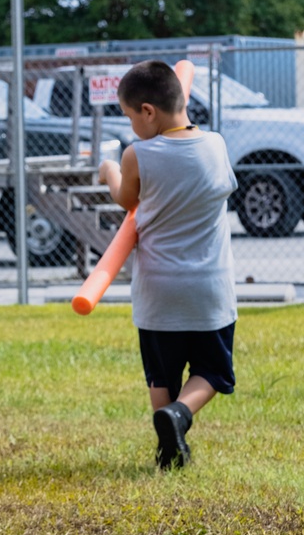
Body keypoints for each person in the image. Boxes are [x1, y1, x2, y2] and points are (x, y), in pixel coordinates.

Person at [98, 59, 237, 470]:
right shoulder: (216, 145)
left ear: (147, 111)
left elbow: (127, 200)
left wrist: (109, 172)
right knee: (212, 371)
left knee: (161, 372)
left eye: (129, 116)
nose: (130, 127)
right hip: (209, 288)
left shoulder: (136, 154)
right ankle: (179, 415)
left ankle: (166, 451)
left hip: (158, 289)